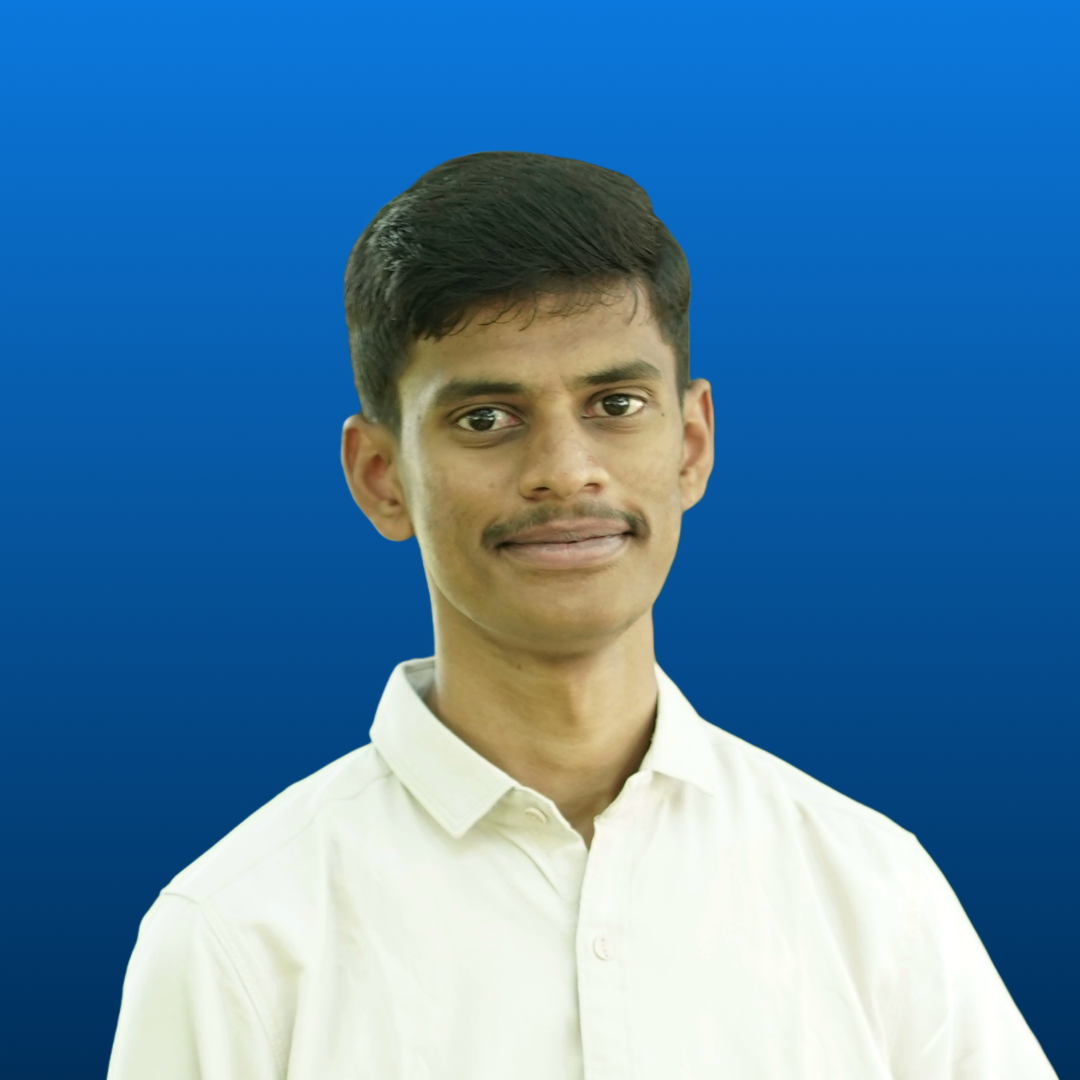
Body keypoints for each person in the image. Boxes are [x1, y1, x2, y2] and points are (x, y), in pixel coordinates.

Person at [107, 152, 1057, 1079]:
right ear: (382, 477)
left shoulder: (874, 893)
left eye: (616, 402)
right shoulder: (237, 936)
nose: (565, 471)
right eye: (486, 417)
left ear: (691, 444)